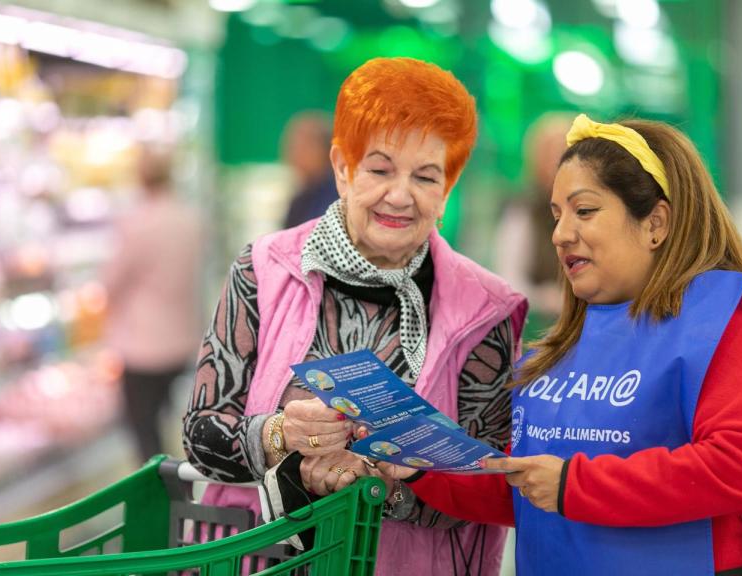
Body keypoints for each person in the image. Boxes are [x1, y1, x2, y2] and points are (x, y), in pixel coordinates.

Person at [379, 115, 742, 576]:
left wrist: (572, 484)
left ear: (656, 224)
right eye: (556, 214)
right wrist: (421, 465)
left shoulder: (735, 321)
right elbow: (526, 486)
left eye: (584, 211)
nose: (561, 234)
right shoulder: (561, 347)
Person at [182, 57, 527, 575]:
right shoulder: (262, 270)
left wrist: (385, 486)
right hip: (258, 560)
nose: (400, 195)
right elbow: (201, 435)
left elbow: (488, 487)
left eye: (426, 177)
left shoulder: (486, 310)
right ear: (342, 167)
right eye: (380, 168)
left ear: (447, 191)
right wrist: (279, 436)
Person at [103, 146, 203, 464]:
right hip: (183, 336)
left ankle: (158, 498)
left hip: (144, 345)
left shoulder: (137, 224)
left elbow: (112, 282)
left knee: (144, 431)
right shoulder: (190, 218)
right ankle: (177, 484)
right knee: (166, 417)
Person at [494, 113, 575, 338]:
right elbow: (509, 280)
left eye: (564, 150)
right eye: (549, 152)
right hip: (540, 329)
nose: (556, 160)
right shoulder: (523, 209)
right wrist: (546, 298)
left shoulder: (594, 210)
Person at [281, 111, 338, 229]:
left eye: (303, 147)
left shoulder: (338, 199)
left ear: (326, 151)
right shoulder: (300, 199)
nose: (295, 154)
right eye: (292, 146)